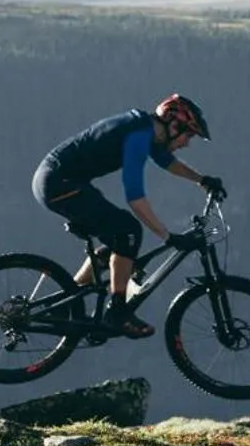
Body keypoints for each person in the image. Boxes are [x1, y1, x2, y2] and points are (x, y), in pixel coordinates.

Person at [32, 94, 226, 339]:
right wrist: (167, 236)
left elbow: (167, 162)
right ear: (172, 125)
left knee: (117, 243)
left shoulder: (146, 130)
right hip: (59, 184)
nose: (187, 144)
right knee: (129, 231)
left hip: (59, 182)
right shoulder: (138, 137)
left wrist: (203, 180)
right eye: (188, 135)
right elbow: (135, 197)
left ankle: (68, 302)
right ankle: (118, 313)